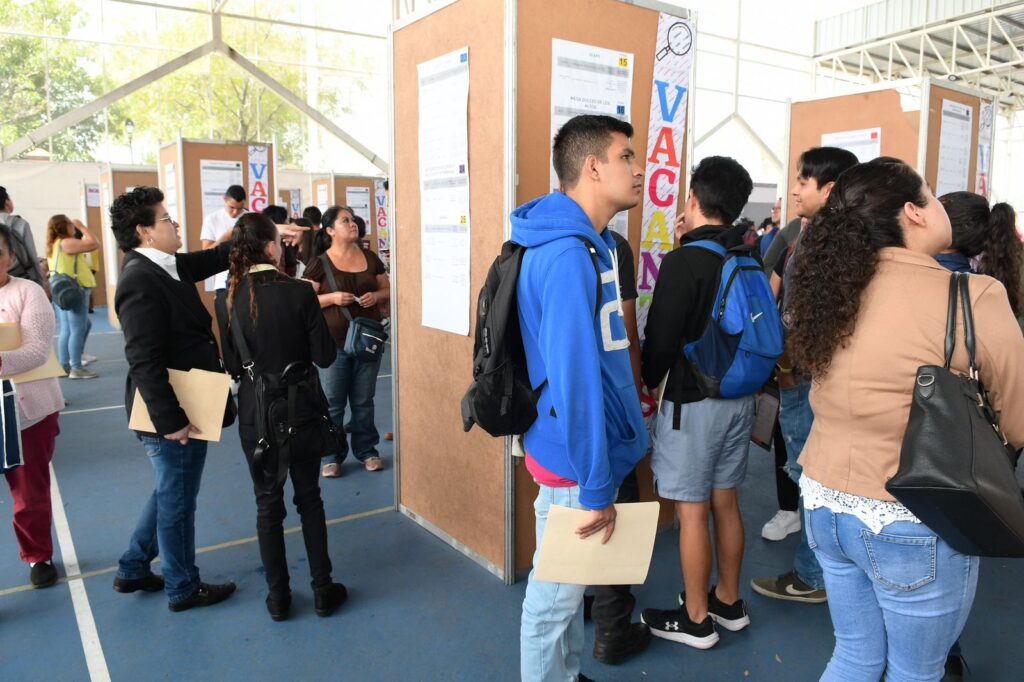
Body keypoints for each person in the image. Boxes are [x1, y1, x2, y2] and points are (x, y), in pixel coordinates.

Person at [786, 157, 1024, 680]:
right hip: (916, 513)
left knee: (853, 657)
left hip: (824, 501)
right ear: (914, 213)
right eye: (932, 194)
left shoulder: (834, 290)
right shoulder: (974, 295)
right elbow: (1017, 422)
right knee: (915, 672)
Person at [515, 114, 649, 682]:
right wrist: (596, 484)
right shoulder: (569, 255)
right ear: (593, 167)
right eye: (626, 156)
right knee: (552, 603)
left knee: (565, 596)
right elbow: (576, 382)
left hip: (571, 451)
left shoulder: (589, 247)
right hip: (574, 461)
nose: (638, 169)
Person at [639, 156, 756, 650]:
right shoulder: (747, 257)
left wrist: (648, 382)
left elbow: (661, 340)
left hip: (693, 402)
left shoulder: (684, 262)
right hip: (740, 398)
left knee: (691, 512)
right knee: (725, 502)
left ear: (692, 198)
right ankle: (728, 601)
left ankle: (696, 619)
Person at [110, 186, 239, 612]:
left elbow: (215, 257)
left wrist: (259, 230)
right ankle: (182, 586)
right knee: (178, 501)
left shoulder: (167, 265)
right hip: (173, 411)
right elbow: (143, 360)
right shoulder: (140, 280)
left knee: (171, 490)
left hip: (188, 397)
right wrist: (172, 421)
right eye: (166, 219)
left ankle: (134, 566)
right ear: (144, 231)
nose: (176, 224)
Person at [222, 213, 347, 622]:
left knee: (267, 504)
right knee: (309, 498)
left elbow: (232, 365)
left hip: (257, 415)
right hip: (301, 408)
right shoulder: (298, 292)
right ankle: (323, 589)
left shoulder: (230, 297)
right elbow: (325, 355)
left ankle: (278, 597)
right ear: (271, 247)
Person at [750, 146, 858, 605]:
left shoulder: (829, 243)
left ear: (829, 189)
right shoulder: (815, 236)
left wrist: (788, 365)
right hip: (803, 375)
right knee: (811, 476)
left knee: (810, 477)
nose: (793, 190)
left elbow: (810, 316)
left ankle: (814, 575)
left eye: (802, 181)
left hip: (807, 378)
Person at [934, 191, 1022, 680]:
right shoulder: (986, 291)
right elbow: (1014, 408)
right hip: (971, 448)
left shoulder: (896, 284)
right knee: (954, 550)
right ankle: (946, 653)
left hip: (904, 452)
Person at [588, 228, 651, 665]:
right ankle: (612, 628)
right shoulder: (612, 248)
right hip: (609, 401)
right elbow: (625, 335)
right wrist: (634, 402)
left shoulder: (536, 240)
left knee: (571, 504)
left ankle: (584, 600)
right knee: (620, 504)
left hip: (554, 409)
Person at [302, 206, 390, 478]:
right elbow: (303, 300)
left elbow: (386, 289)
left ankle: (367, 451)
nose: (353, 224)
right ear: (330, 230)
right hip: (333, 345)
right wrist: (332, 298)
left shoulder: (370, 258)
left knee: (364, 400)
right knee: (333, 402)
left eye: (353, 219)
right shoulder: (319, 263)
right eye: (345, 221)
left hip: (367, 342)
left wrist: (376, 297)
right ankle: (331, 456)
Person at [0, 224, 65, 588]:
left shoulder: (29, 292)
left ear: (11, 256)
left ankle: (38, 554)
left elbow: (37, 350)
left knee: (29, 492)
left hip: (27, 413)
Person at [46, 215, 99, 379]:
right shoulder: (66, 243)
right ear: (64, 226)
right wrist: (82, 227)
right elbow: (94, 243)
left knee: (67, 329)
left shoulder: (54, 244)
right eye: (70, 224)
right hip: (74, 289)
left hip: (60, 289)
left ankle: (64, 366)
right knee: (77, 329)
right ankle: (76, 367)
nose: (73, 227)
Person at [200, 185, 247, 353]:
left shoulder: (249, 218)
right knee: (228, 329)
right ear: (224, 200)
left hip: (247, 279)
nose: (235, 213)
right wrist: (225, 236)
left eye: (239, 209)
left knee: (248, 327)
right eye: (231, 207)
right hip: (223, 282)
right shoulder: (212, 219)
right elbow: (206, 252)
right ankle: (232, 366)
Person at [0, 187, 47, 289]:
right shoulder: (20, 223)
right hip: (22, 280)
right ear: (7, 202)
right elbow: (32, 257)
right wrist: (40, 285)